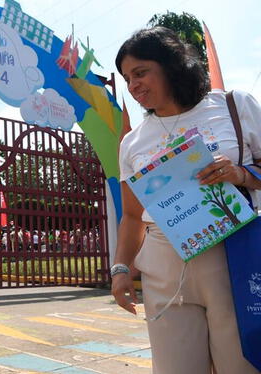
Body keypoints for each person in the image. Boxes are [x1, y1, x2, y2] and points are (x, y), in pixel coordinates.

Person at [112, 26, 261, 373]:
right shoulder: (132, 144)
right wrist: (120, 270)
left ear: (171, 64)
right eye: (126, 78)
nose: (133, 85)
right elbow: (133, 217)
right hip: (165, 266)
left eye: (140, 72)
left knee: (242, 364)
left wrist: (241, 175)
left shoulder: (233, 106)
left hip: (235, 256)